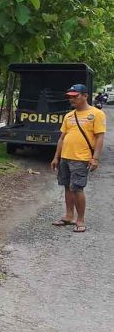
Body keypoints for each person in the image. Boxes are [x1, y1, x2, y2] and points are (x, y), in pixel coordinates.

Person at [50, 83, 106, 233]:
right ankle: (69, 216)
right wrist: (56, 157)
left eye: (75, 96)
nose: (71, 99)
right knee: (67, 187)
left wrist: (95, 158)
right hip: (65, 157)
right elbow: (62, 138)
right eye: (70, 97)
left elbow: (99, 137)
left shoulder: (96, 114)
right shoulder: (69, 115)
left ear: (85, 96)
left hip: (81, 158)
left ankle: (80, 220)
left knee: (77, 188)